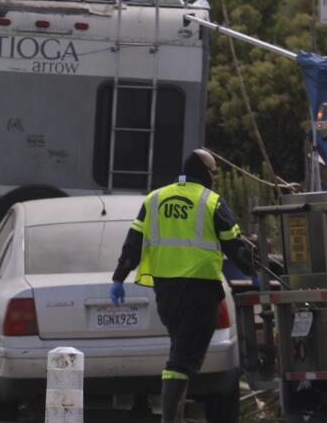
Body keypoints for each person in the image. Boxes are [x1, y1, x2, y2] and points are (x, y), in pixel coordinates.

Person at [109, 149, 255, 423]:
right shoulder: (210, 201)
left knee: (181, 348)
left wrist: (119, 277)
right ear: (204, 173)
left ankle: (174, 416)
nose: (215, 177)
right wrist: (254, 267)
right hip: (199, 291)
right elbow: (235, 246)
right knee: (182, 359)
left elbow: (133, 243)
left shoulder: (155, 198)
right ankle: (170, 419)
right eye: (214, 172)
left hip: (166, 293)